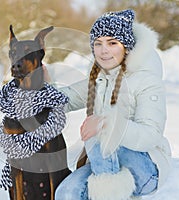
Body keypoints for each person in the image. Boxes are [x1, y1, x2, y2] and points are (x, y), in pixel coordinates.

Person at [52, 9, 172, 200]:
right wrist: (40, 83)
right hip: (105, 163)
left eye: (112, 43)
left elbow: (150, 136)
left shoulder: (146, 80)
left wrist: (105, 123)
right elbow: (66, 98)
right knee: (67, 193)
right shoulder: (99, 79)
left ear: (127, 46)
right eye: (98, 43)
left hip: (147, 169)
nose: (103, 50)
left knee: (104, 137)